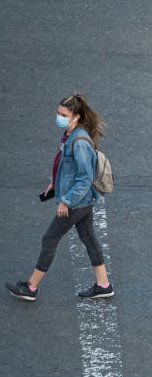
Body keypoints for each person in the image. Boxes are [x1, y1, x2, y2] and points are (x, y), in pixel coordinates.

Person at [7, 94, 114, 302]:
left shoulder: (79, 142)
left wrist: (66, 200)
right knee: (89, 238)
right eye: (58, 113)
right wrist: (54, 183)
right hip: (81, 201)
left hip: (76, 202)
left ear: (76, 117)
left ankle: (31, 287)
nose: (59, 117)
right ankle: (104, 285)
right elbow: (66, 167)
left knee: (49, 239)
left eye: (63, 115)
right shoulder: (69, 134)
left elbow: (84, 178)